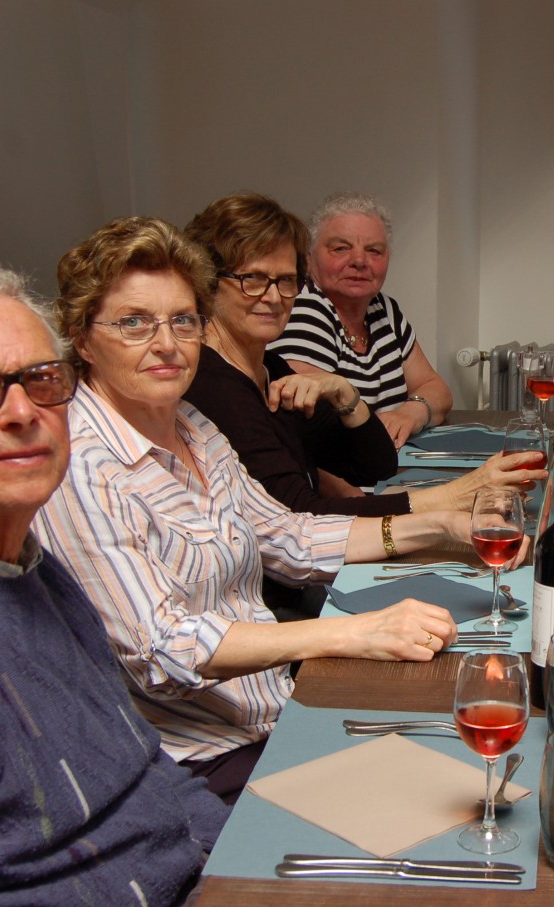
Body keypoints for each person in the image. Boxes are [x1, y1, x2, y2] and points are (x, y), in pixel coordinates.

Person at [34, 216, 492, 803]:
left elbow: (287, 536)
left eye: (183, 320)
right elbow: (166, 649)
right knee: (440, 797)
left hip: (271, 712)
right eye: (134, 323)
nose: (167, 343)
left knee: (471, 744)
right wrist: (355, 632)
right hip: (197, 765)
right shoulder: (78, 465)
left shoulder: (191, 425)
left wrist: (439, 526)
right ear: (81, 338)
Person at [0, 262, 226, 905]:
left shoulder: (25, 561)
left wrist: (251, 865)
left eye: (42, 381)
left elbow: (147, 770)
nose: (22, 412)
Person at [180, 194, 545, 618]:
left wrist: (345, 394)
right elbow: (302, 515)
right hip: (265, 602)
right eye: (253, 279)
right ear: (208, 283)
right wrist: (453, 498)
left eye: (285, 280)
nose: (274, 296)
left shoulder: (271, 368)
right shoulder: (213, 386)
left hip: (305, 578)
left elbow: (374, 464)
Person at [270, 191, 451, 448]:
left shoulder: (383, 308)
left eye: (374, 251)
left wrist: (411, 412)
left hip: (387, 461)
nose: (359, 261)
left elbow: (437, 388)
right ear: (308, 258)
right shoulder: (303, 307)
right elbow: (318, 428)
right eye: (341, 248)